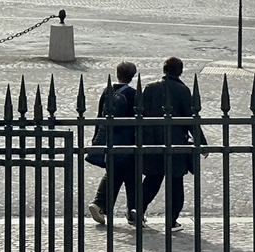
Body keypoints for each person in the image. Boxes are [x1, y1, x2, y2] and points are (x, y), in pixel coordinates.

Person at [138, 56, 206, 232]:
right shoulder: (182, 91)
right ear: (180, 71)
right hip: (175, 142)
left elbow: (140, 115)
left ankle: (137, 211)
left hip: (152, 141)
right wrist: (201, 143)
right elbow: (191, 120)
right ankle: (171, 220)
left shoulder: (150, 88)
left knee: (152, 180)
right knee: (176, 182)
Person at [86, 61, 139, 226]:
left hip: (110, 139)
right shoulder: (133, 94)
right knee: (132, 176)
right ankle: (133, 211)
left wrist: (97, 139)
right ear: (133, 75)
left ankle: (101, 205)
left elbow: (100, 116)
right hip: (128, 141)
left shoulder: (107, 91)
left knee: (114, 174)